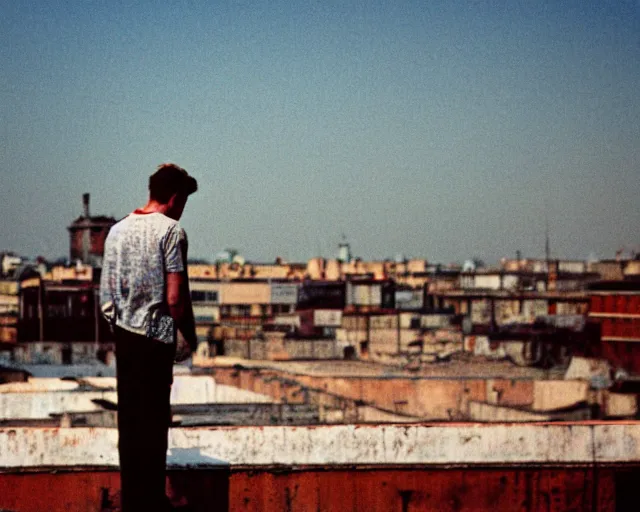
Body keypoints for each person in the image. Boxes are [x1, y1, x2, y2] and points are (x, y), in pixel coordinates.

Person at [100, 163, 198, 511]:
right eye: (183, 199)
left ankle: (133, 500)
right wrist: (190, 336)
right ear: (174, 197)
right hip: (157, 340)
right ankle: (152, 501)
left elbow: (107, 301)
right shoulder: (172, 232)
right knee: (155, 424)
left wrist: (124, 330)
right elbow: (175, 298)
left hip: (126, 340)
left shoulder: (116, 232)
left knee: (130, 425)